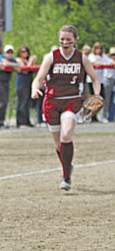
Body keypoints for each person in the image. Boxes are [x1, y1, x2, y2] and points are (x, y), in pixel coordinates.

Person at [31, 25, 101, 190]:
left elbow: (95, 80)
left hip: (72, 101)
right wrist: (35, 88)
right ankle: (67, 166)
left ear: (75, 40)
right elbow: (39, 78)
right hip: (52, 103)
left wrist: (97, 95)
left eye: (68, 40)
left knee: (66, 135)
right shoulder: (51, 57)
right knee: (58, 144)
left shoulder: (82, 58)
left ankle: (66, 177)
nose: (65, 42)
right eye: (62, 39)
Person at [0, 45, 20, 128]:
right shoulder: (0, 57)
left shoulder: (13, 60)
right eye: (8, 52)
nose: (9, 54)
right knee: (0, 102)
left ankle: (1, 121)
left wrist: (10, 64)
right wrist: (12, 65)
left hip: (6, 83)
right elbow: (3, 64)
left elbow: (19, 68)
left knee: (5, 102)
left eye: (11, 52)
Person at [88, 42, 111, 122]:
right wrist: (104, 64)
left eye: (100, 48)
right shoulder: (91, 56)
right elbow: (95, 63)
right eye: (97, 47)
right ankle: (90, 115)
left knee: (101, 99)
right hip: (92, 80)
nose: (99, 49)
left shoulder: (104, 56)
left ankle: (97, 116)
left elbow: (110, 61)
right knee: (93, 99)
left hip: (101, 80)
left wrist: (107, 63)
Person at [15, 45, 37, 128]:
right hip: (21, 83)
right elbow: (25, 69)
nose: (25, 53)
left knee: (28, 102)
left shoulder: (27, 60)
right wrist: (31, 61)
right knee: (22, 102)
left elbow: (31, 69)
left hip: (29, 83)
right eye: (23, 52)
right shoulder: (18, 60)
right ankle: (21, 122)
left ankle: (27, 121)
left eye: (26, 51)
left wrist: (32, 62)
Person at [104, 47, 115, 121]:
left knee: (112, 100)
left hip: (114, 80)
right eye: (113, 54)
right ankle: (105, 116)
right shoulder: (107, 60)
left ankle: (111, 116)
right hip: (108, 79)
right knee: (107, 99)